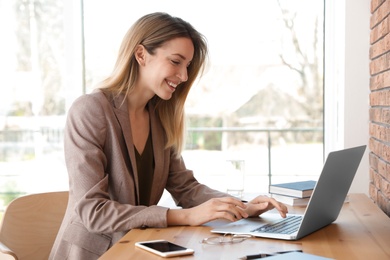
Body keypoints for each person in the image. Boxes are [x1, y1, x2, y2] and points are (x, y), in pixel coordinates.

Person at [49, 12, 288, 259]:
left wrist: (241, 207)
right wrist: (186, 216)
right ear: (141, 54)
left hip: (141, 246)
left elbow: (186, 189)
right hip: (96, 254)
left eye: (187, 66)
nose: (184, 76)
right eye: (176, 62)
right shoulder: (90, 110)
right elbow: (93, 211)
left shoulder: (159, 118)